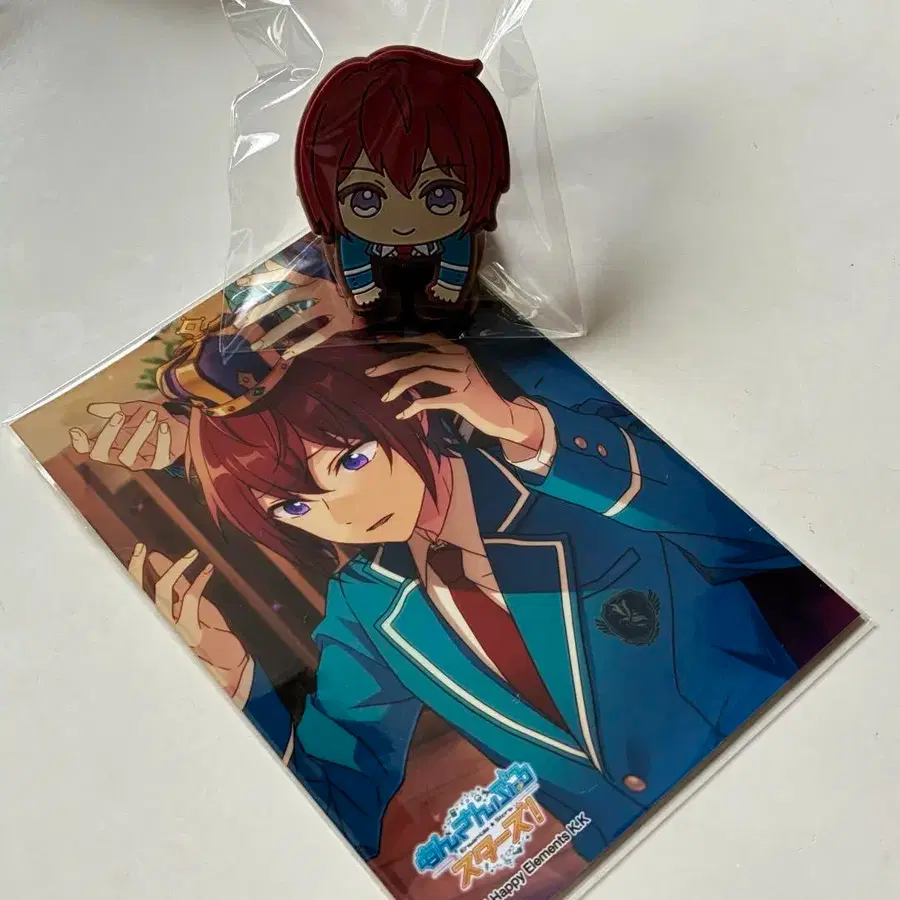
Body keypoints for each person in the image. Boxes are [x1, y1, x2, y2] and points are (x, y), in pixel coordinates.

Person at [104, 326, 803, 865]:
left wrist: (526, 428)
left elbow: (758, 534)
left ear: (405, 415)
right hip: (642, 863)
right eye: (292, 507)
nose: (341, 513)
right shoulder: (366, 607)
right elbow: (344, 798)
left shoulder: (560, 475)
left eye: (351, 460)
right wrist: (238, 686)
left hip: (789, 750)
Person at [296, 46, 510, 322]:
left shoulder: (458, 233)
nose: (403, 224)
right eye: (366, 198)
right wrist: (363, 290)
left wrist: (450, 287)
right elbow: (352, 256)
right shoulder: (351, 238)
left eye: (439, 195)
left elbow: (459, 252)